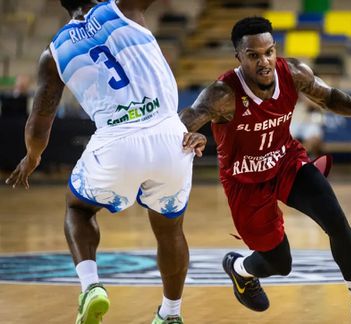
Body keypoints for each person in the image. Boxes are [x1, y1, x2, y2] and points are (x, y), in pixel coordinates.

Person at [180, 16, 351, 324]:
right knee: (280, 263)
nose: (264, 61)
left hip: (287, 163)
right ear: (238, 57)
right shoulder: (223, 93)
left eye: (269, 51)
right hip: (245, 183)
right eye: (253, 55)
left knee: (337, 223)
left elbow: (327, 96)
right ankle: (240, 269)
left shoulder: (293, 72)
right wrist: (186, 135)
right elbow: (187, 119)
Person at [5, 1, 206, 324]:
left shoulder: (53, 53)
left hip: (117, 143)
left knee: (78, 207)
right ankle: (170, 314)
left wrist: (33, 156)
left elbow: (39, 123)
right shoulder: (125, 8)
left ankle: (91, 286)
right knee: (170, 230)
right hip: (171, 137)